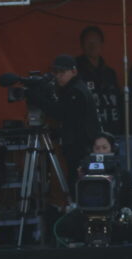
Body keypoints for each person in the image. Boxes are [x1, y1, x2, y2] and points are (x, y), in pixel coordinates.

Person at [58, 133, 132, 246]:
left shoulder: (123, 175)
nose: (100, 151)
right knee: (64, 226)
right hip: (87, 216)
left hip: (115, 217)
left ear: (113, 149)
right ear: (91, 150)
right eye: (97, 148)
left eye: (104, 147)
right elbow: (74, 200)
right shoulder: (83, 172)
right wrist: (80, 179)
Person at [26, 54, 100, 188]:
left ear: (74, 71)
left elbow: (62, 113)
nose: (58, 76)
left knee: (77, 181)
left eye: (62, 72)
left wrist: (38, 100)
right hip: (78, 144)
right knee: (75, 180)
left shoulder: (75, 91)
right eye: (56, 72)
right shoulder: (71, 88)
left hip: (81, 147)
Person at [76, 26, 122, 134]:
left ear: (101, 44)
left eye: (96, 42)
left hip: (112, 130)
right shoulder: (76, 71)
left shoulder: (110, 73)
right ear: (82, 45)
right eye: (88, 42)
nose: (92, 45)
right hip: (88, 132)